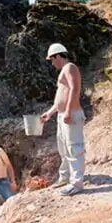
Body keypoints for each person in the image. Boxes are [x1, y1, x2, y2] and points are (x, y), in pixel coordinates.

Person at [40, 43, 85, 196]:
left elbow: (75, 89)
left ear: (58, 56)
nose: (52, 63)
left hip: (71, 114)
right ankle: (65, 177)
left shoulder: (70, 67)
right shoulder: (64, 71)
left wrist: (68, 111)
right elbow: (60, 97)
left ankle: (76, 183)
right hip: (63, 115)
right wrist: (50, 113)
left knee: (74, 148)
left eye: (52, 60)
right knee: (63, 149)